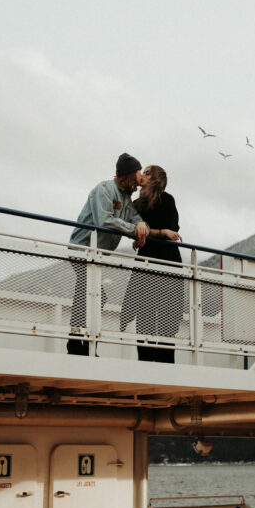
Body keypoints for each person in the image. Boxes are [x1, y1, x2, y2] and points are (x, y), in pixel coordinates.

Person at [67, 153, 149, 355]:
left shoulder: (126, 199)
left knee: (91, 293)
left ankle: (82, 340)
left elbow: (135, 216)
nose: (139, 184)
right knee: (93, 294)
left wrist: (141, 224)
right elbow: (104, 220)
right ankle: (77, 341)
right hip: (83, 248)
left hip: (98, 254)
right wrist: (133, 230)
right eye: (138, 176)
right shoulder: (104, 189)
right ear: (128, 174)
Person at [120, 165, 183, 363]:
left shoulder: (166, 199)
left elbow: (171, 227)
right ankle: (145, 364)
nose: (143, 175)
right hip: (147, 262)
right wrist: (143, 235)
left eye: (147, 172)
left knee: (166, 317)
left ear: (155, 178)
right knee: (144, 314)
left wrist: (148, 233)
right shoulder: (136, 203)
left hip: (166, 263)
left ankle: (165, 366)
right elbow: (132, 227)